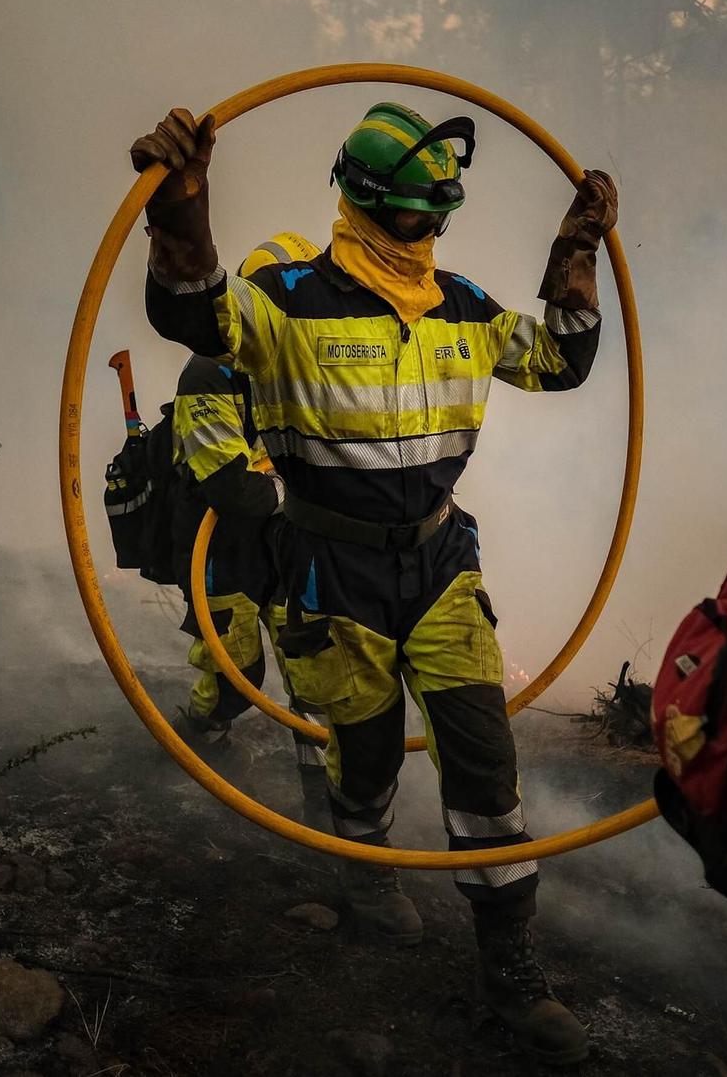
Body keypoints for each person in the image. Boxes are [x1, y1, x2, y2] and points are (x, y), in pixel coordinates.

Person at [132, 100, 618, 1066]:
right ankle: (364, 869)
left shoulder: (464, 307)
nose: (427, 229)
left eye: (441, 211)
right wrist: (181, 205)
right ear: (362, 199)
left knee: (483, 760)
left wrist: (577, 249)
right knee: (364, 754)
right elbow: (192, 310)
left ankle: (511, 968)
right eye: (411, 212)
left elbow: (562, 359)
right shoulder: (285, 301)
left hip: (439, 564)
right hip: (329, 568)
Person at [164, 234, 336, 838]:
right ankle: (199, 738)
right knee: (236, 672)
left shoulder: (309, 365)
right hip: (221, 549)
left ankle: (327, 802)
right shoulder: (207, 374)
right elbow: (232, 489)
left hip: (286, 542)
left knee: (313, 667)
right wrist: (296, 486)